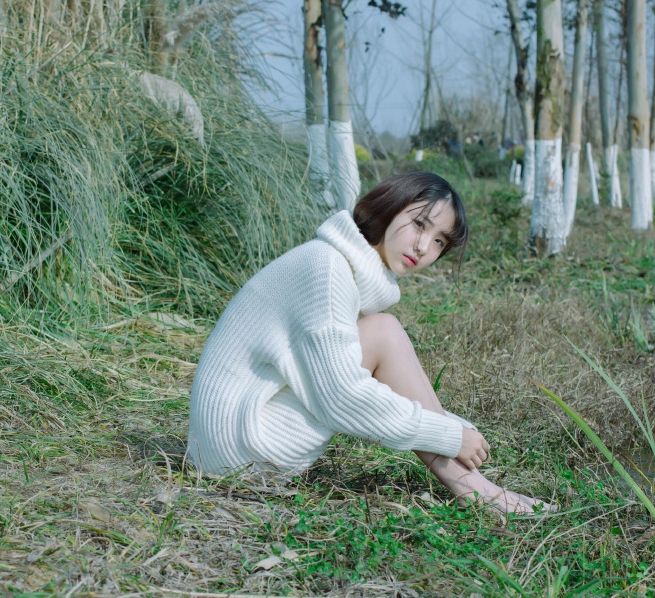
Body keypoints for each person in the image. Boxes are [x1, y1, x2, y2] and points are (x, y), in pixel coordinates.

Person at [186, 171, 550, 514]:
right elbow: (342, 397)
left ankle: (471, 483)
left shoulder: (333, 261)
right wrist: (448, 434)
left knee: (382, 331)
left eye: (439, 240)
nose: (424, 246)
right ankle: (473, 488)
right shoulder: (327, 268)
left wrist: (450, 429)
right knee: (384, 333)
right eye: (419, 224)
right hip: (241, 449)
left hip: (225, 444)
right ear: (390, 207)